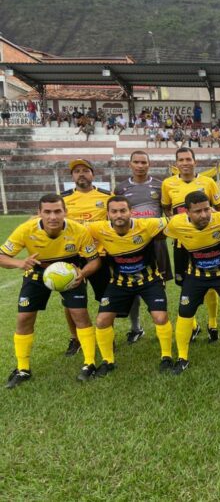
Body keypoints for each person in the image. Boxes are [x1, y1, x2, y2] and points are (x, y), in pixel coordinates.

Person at [0, 194, 101, 388]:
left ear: (65, 212)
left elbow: (94, 260)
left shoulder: (78, 230)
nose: (52, 217)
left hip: (71, 272)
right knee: (24, 318)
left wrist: (83, 273)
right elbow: (2, 256)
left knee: (80, 315)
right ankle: (23, 369)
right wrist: (20, 262)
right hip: (37, 272)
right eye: (47, 212)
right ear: (39, 213)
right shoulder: (26, 229)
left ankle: (89, 363)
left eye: (57, 211)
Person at [164, 191, 220, 374]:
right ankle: (182, 357)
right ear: (187, 212)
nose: (204, 214)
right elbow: (155, 230)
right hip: (195, 276)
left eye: (207, 209)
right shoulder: (176, 223)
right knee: (184, 312)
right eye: (198, 211)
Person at [86, 196, 173, 374]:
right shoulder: (98, 228)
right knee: (102, 320)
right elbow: (73, 228)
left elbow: (173, 221)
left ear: (130, 211)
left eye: (123, 210)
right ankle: (108, 361)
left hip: (149, 280)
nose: (119, 215)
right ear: (108, 214)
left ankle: (166, 357)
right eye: (114, 211)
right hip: (119, 283)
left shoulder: (146, 225)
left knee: (160, 317)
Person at [161, 147, 220, 342]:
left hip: (207, 242)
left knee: (211, 282)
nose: (185, 163)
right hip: (182, 243)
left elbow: (218, 207)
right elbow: (165, 207)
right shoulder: (168, 184)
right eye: (181, 160)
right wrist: (179, 226)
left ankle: (212, 323)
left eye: (188, 159)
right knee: (185, 282)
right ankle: (193, 324)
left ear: (195, 161)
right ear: (176, 163)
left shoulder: (208, 182)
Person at [113, 151, 172, 343]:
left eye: (143, 162)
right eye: (136, 162)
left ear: (149, 164)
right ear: (129, 164)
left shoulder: (160, 185)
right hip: (129, 246)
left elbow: (167, 212)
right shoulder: (121, 188)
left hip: (156, 244)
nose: (140, 165)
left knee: (158, 283)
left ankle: (161, 326)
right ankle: (135, 327)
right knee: (132, 284)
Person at [61, 159, 112, 355]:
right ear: (72, 176)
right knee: (71, 302)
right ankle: (76, 339)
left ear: (92, 174)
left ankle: (106, 335)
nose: (81, 174)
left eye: (85, 170)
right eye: (76, 171)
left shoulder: (107, 197)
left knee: (105, 299)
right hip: (72, 256)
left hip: (100, 256)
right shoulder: (63, 199)